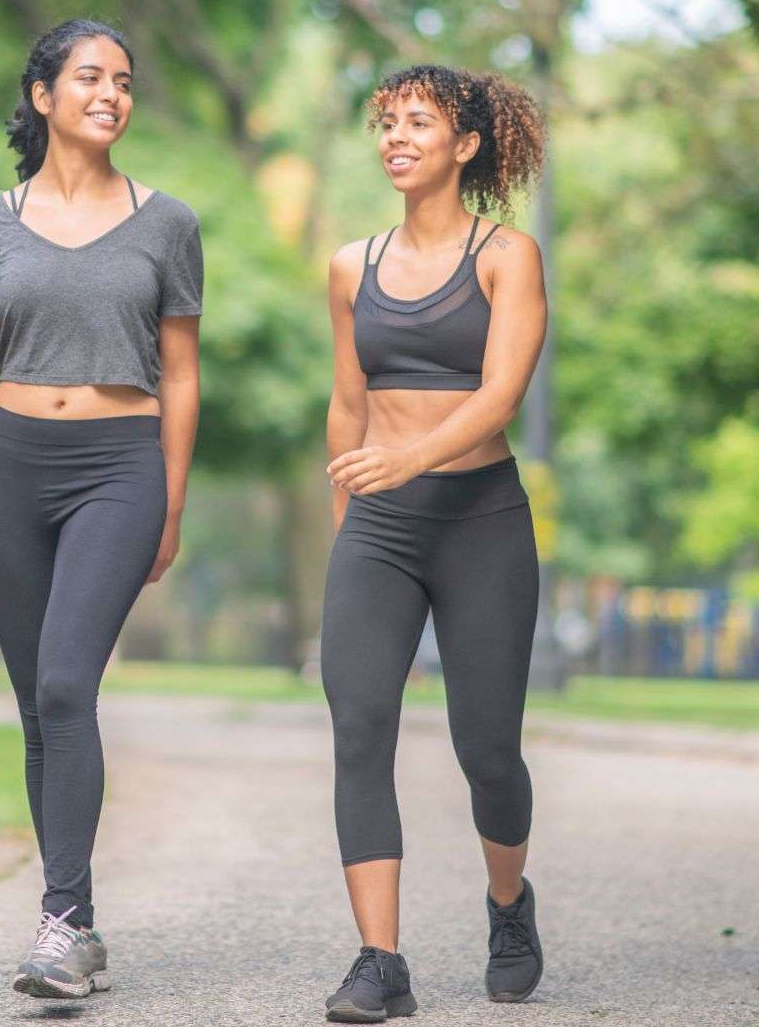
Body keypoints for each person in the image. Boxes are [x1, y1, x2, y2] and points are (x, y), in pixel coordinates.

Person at [0, 18, 202, 1001]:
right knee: (38, 711)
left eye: (125, 81)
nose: (112, 93)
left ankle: (57, 927)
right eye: (91, 77)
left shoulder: (167, 222)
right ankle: (77, 926)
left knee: (66, 684)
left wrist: (170, 500)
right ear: (44, 94)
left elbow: (181, 377)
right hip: (10, 468)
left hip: (119, 466)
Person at [319, 63, 547, 1021]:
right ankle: (381, 962)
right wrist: (350, 525)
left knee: (486, 748)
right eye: (388, 123)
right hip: (380, 530)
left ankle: (508, 905)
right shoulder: (348, 265)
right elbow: (347, 403)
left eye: (421, 123)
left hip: (481, 523)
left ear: (465, 146)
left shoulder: (508, 256)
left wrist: (406, 460)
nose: (398, 138)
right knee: (361, 729)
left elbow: (501, 397)